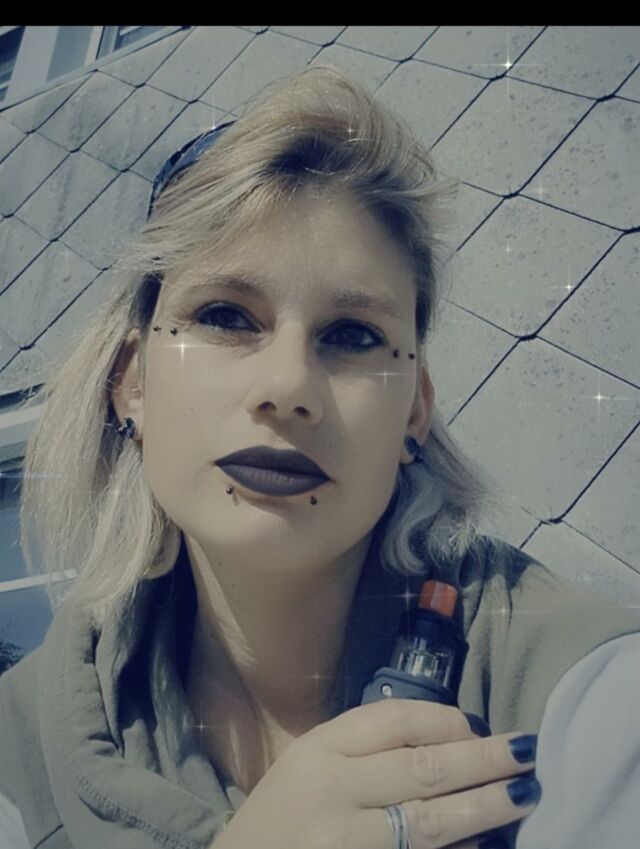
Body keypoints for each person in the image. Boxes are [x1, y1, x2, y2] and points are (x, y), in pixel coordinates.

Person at [0, 64, 638, 849]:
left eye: (352, 334)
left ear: (414, 410)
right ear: (133, 383)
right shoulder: (16, 759)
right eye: (226, 315)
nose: (288, 386)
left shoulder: (590, 701)